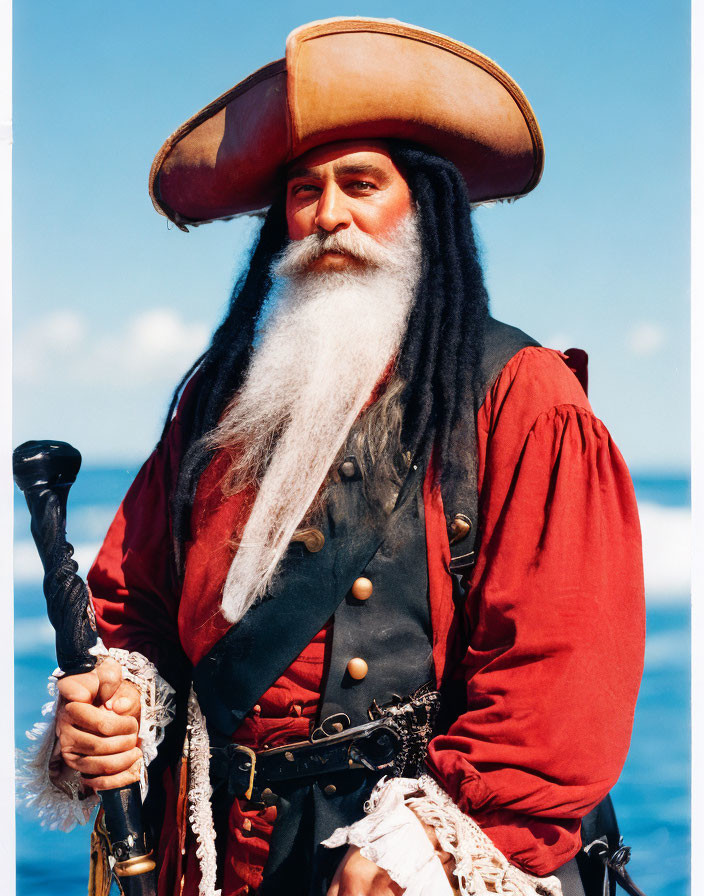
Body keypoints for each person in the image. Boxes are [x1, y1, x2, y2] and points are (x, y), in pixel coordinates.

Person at [23, 17, 645, 896]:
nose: (329, 216)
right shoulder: (218, 400)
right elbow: (138, 605)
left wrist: (426, 849)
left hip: (398, 867)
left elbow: (561, 673)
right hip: (218, 858)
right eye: (304, 193)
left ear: (421, 209)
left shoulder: (524, 394)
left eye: (361, 184)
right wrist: (119, 701)